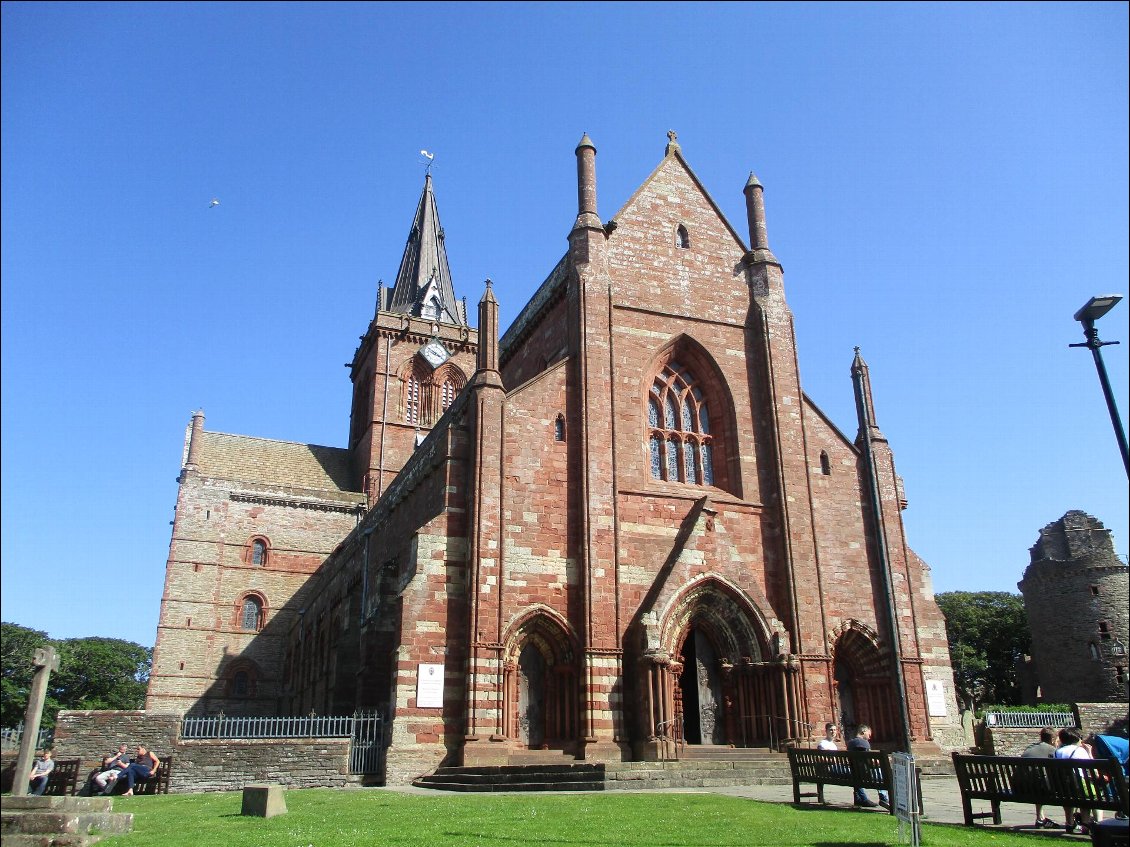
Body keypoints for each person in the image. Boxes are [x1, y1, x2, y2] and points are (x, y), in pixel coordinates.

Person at [1055, 728, 1093, 835]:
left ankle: (1069, 823)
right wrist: (1090, 753)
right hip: (1079, 788)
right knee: (1086, 796)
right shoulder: (1080, 751)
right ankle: (1085, 824)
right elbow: (1091, 770)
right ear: (1077, 739)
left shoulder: (1057, 751)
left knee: (1069, 797)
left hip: (1063, 788)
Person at [1020, 726, 1059, 828]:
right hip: (1038, 788)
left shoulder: (1030, 747)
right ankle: (1071, 821)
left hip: (1020, 787)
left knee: (1037, 780)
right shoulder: (1052, 750)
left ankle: (1040, 818)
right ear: (1053, 739)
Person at [846, 723, 889, 809]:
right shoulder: (864, 743)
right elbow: (870, 761)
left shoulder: (850, 744)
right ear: (863, 731)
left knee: (857, 776)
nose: (870, 737)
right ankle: (883, 798)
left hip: (855, 774)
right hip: (867, 776)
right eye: (869, 734)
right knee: (881, 772)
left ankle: (860, 798)